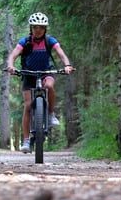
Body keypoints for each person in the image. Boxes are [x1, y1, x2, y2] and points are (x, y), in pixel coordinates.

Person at [6, 12, 73, 153]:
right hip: (28, 74)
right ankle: (26, 141)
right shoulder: (25, 42)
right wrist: (11, 66)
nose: (38, 30)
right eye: (35, 27)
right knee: (28, 106)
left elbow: (61, 53)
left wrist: (67, 65)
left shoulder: (49, 41)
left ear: (45, 29)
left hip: (46, 72)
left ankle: (50, 114)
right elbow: (13, 55)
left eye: (41, 27)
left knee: (49, 86)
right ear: (31, 28)